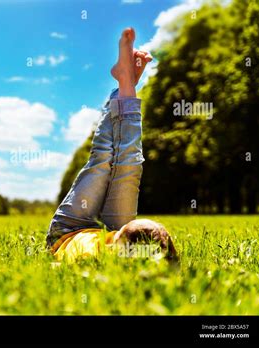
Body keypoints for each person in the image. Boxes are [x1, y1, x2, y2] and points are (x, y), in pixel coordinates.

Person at [47, 28, 178, 263]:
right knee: (130, 164)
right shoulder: (127, 236)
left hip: (68, 229)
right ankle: (125, 84)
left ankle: (124, 84)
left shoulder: (90, 261)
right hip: (112, 232)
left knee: (103, 159)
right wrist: (121, 232)